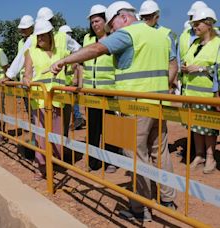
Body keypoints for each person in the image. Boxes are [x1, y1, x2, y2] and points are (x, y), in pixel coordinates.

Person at [49, 1, 176, 221]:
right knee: (160, 152)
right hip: (159, 104)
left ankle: (141, 209)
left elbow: (97, 48)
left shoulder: (129, 34)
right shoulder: (160, 35)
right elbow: (172, 65)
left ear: (123, 17)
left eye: (112, 25)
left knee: (135, 156)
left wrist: (64, 60)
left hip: (135, 105)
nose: (112, 31)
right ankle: (168, 200)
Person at [23, 20, 71, 181]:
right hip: (41, 101)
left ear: (51, 35)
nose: (41, 38)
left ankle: (55, 162)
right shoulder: (31, 52)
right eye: (39, 35)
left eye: (44, 35)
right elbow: (27, 73)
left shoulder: (61, 52)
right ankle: (41, 166)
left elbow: (75, 62)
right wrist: (26, 80)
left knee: (57, 134)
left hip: (57, 99)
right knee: (41, 136)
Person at [181, 7, 219, 174]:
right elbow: (189, 62)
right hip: (191, 94)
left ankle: (210, 157)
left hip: (207, 94)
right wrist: (185, 68)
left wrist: (201, 69)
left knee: (209, 127)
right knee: (195, 126)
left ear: (208, 24)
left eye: (197, 24)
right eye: (193, 24)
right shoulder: (195, 44)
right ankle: (199, 154)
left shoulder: (218, 44)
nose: (194, 27)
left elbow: (217, 69)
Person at [82, 4, 120, 173]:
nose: (95, 25)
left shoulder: (114, 39)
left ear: (106, 21)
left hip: (109, 92)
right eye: (92, 22)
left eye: (97, 21)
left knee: (110, 128)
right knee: (93, 128)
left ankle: (111, 160)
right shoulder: (87, 39)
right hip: (91, 92)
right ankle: (93, 161)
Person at [138, 0, 178, 95]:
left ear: (157, 17)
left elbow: (173, 65)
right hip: (140, 86)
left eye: (148, 16)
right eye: (143, 17)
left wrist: (166, 86)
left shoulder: (166, 34)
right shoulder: (138, 33)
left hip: (159, 88)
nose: (145, 20)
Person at [59, 24, 86, 130]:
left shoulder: (72, 49)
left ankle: (78, 118)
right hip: (65, 80)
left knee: (72, 102)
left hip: (69, 81)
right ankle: (76, 118)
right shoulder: (65, 48)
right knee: (70, 102)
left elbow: (76, 65)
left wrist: (75, 78)